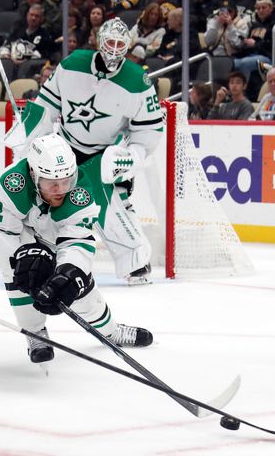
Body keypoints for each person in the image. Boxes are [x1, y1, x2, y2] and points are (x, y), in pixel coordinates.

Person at [0, 133, 153, 364]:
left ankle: (111, 331)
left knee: (78, 284)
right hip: (11, 231)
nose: (60, 189)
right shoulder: (12, 184)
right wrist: (20, 258)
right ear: (33, 175)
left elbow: (77, 240)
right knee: (22, 274)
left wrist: (70, 272)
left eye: (66, 180)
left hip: (47, 228)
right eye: (51, 183)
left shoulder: (79, 188)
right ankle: (35, 333)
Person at [14, 17, 163, 285]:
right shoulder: (72, 64)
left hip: (104, 155)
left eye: (120, 43)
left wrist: (132, 158)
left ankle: (135, 262)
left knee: (105, 206)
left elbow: (149, 131)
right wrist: (27, 138)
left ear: (127, 45)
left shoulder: (138, 81)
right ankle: (39, 252)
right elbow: (47, 105)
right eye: (110, 42)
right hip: (66, 147)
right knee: (46, 199)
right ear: (99, 41)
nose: (115, 49)